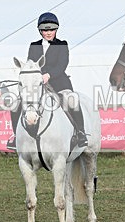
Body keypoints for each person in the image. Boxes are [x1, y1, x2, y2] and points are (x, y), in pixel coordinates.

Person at [6, 11, 88, 151]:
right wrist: (36, 78)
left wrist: (49, 75)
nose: (48, 33)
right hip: (37, 84)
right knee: (15, 104)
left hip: (58, 81)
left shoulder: (62, 44)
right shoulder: (34, 45)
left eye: (51, 30)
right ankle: (15, 136)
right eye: (45, 30)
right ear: (40, 31)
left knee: (72, 99)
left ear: (56, 30)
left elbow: (62, 65)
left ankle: (81, 132)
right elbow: (31, 64)